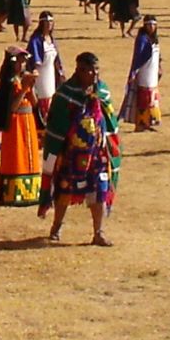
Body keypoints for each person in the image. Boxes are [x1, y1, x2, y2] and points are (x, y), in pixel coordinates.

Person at [39, 52, 121, 247]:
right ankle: (56, 227)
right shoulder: (65, 94)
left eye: (96, 69)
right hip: (71, 154)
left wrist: (110, 143)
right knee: (64, 190)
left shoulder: (102, 91)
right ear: (79, 71)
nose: (94, 74)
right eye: (90, 70)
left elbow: (109, 121)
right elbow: (56, 125)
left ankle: (98, 232)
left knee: (100, 189)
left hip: (97, 154)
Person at [0, 47, 41, 206]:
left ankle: (31, 192)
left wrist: (30, 88)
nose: (23, 64)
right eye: (20, 60)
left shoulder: (23, 78)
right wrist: (24, 88)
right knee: (16, 154)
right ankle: (13, 193)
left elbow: (34, 103)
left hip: (28, 120)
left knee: (29, 154)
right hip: (16, 123)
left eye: (24, 61)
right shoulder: (8, 82)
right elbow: (11, 107)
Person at [118, 16, 162, 132]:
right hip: (144, 74)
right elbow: (137, 57)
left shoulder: (154, 38)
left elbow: (158, 56)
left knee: (152, 99)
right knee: (143, 99)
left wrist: (160, 67)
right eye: (149, 24)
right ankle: (140, 124)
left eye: (153, 25)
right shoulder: (142, 39)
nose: (151, 27)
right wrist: (133, 72)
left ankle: (148, 121)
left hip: (152, 74)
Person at [25, 11, 65, 120]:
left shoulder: (52, 40)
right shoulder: (36, 40)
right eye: (46, 22)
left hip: (51, 73)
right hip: (40, 75)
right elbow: (31, 60)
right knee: (43, 97)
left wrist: (61, 73)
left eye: (51, 22)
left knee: (51, 95)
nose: (49, 24)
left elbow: (57, 60)